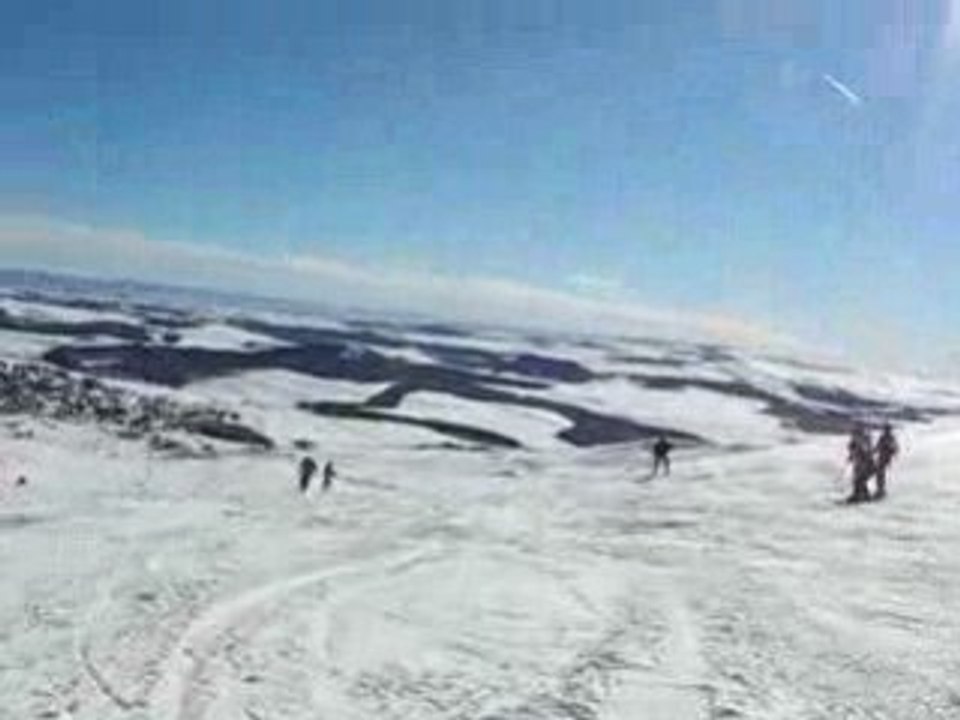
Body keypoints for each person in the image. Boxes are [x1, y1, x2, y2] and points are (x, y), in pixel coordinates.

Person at [846, 425, 875, 504]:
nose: (853, 436)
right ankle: (862, 496)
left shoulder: (863, 442)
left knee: (859, 480)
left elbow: (866, 453)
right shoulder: (855, 442)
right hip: (860, 465)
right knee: (858, 481)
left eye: (854, 434)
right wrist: (851, 457)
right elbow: (854, 453)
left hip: (867, 466)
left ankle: (861, 496)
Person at [873, 423, 899, 500]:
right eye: (885, 430)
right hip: (882, 457)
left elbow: (895, 448)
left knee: (880, 473)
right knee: (879, 473)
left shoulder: (890, 438)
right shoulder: (883, 437)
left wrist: (889, 448)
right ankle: (880, 489)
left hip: (885, 458)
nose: (885, 431)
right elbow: (877, 447)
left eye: (886, 430)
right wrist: (873, 451)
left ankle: (881, 490)